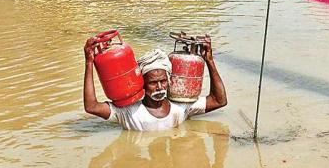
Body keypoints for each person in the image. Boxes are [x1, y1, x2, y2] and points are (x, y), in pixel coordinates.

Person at [83, 37, 227, 131]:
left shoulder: (182, 107)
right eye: (153, 82)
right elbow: (91, 106)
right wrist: (89, 62)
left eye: (163, 81)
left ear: (169, 81)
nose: (159, 87)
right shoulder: (128, 112)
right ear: (142, 83)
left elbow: (219, 101)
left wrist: (209, 60)